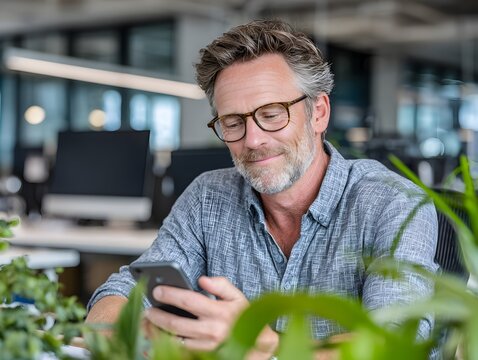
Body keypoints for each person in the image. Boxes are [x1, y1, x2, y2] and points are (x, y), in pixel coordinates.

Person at [86, 19, 438, 358]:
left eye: (271, 114)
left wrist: (262, 346)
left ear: (318, 113)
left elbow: (394, 344)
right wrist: (139, 331)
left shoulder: (394, 204)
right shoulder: (207, 198)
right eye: (233, 122)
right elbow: (118, 295)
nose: (252, 140)